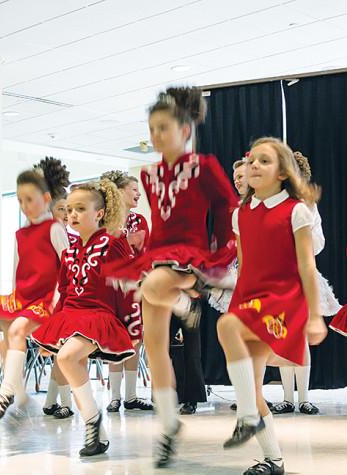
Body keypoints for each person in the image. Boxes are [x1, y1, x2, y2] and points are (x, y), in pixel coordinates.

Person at [104, 86, 238, 468]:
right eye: (152, 128)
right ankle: (168, 425)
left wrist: (218, 251)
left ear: (184, 128)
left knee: (156, 284)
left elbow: (226, 205)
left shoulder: (204, 166)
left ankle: (190, 289)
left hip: (190, 252)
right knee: (155, 345)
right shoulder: (148, 174)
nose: (156, 135)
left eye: (163, 127)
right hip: (157, 256)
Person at [217, 137, 327, 475]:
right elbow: (245, 264)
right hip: (249, 300)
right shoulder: (240, 215)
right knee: (250, 388)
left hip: (283, 300)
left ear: (283, 173)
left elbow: (307, 266)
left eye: (264, 161)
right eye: (252, 161)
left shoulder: (296, 210)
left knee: (226, 327)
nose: (253, 166)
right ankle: (274, 461)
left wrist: (314, 315)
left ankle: (247, 416)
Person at [31, 180, 135, 457]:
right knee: (67, 361)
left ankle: (92, 420)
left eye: (80, 209)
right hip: (70, 317)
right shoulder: (70, 251)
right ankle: (96, 432)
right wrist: (51, 335)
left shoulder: (113, 243)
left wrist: (133, 325)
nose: (71, 215)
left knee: (67, 359)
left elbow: (130, 283)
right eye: (68, 209)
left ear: (99, 213)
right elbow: (64, 293)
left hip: (98, 317)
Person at [0, 157, 70, 419]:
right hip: (24, 298)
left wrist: (60, 299)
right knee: (1, 330)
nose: (25, 206)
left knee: (17, 329)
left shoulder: (54, 228)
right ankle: (18, 392)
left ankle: (6, 392)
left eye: (30, 199)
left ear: (46, 198)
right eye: (20, 201)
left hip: (47, 299)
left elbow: (67, 266)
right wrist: (13, 298)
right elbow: (17, 269)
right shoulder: (20, 235)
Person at [272, 151, 341, 416]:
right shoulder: (273, 203)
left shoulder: (308, 205)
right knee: (281, 336)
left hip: (301, 275)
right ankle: (287, 398)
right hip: (278, 276)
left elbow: (319, 241)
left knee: (299, 337)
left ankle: (304, 398)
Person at [101, 170, 153, 413]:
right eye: (134, 189)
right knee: (114, 341)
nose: (138, 194)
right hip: (109, 290)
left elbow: (146, 256)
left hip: (134, 288)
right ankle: (114, 397)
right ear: (119, 192)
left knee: (134, 340)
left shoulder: (140, 221)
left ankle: (131, 396)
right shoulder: (104, 221)